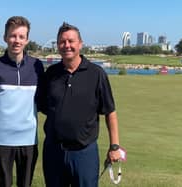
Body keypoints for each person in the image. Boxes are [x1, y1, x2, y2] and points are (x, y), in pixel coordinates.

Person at [37, 22, 122, 187]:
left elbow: (110, 112)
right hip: (54, 151)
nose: (66, 45)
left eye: (71, 41)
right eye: (62, 42)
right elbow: (44, 107)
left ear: (80, 44)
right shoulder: (51, 74)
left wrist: (114, 146)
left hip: (85, 153)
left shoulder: (96, 74)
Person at [0, 16, 44, 187]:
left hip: (28, 141)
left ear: (27, 40)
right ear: (5, 37)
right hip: (0, 141)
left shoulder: (37, 66)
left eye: (21, 37)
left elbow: (43, 102)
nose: (16, 41)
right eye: (13, 36)